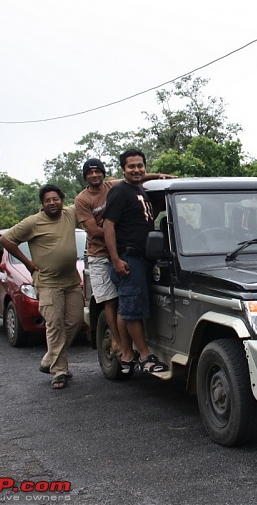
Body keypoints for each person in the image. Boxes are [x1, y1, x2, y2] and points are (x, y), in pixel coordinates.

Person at [74, 157, 173, 363]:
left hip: (130, 252)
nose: (94, 175)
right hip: (103, 253)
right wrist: (119, 250)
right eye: (90, 173)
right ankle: (122, 346)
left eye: (97, 171)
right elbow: (98, 228)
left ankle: (130, 351)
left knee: (126, 304)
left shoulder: (114, 186)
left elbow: (138, 176)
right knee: (114, 303)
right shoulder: (84, 199)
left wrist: (160, 176)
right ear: (85, 176)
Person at [0, 184, 82, 390]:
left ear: (62, 200)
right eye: (48, 200)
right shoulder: (33, 222)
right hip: (48, 283)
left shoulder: (70, 214)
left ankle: (49, 359)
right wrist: (28, 263)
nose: (52, 203)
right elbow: (6, 239)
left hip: (72, 282)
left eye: (55, 199)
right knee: (54, 325)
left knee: (75, 322)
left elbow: (95, 192)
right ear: (42, 204)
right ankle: (59, 371)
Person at [102, 149, 168, 374]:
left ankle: (128, 356)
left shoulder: (141, 191)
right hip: (128, 257)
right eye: (131, 166)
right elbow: (108, 225)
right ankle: (145, 356)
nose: (137, 170)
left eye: (140, 165)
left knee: (128, 308)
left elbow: (147, 216)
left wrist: (161, 178)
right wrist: (116, 259)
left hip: (143, 256)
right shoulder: (120, 192)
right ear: (123, 169)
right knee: (131, 309)